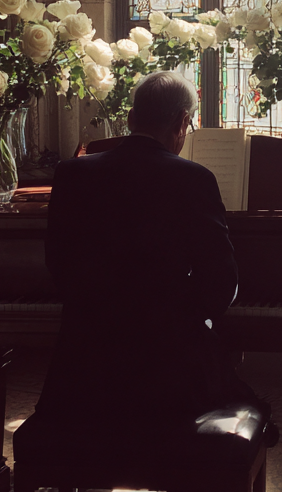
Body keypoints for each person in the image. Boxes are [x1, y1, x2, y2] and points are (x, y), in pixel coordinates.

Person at [33, 70, 269, 444]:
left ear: (130, 119)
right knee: (235, 391)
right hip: (168, 379)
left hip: (83, 373)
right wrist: (175, 318)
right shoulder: (194, 178)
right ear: (182, 121)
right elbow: (220, 285)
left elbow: (60, 267)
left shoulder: (71, 174)